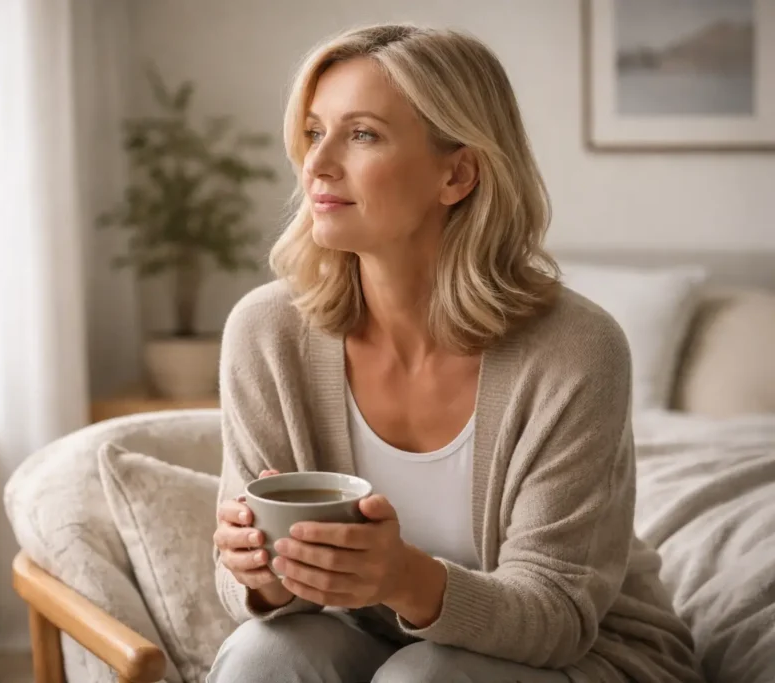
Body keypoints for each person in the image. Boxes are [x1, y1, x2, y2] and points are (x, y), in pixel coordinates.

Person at [207, 23, 704, 683]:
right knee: (261, 657)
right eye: (313, 131)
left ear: (458, 173)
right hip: (368, 637)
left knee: (423, 678)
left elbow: (557, 613)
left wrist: (406, 576)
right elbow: (254, 594)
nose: (317, 165)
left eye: (361, 134)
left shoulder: (577, 350)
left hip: (585, 652)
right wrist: (259, 573)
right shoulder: (266, 332)